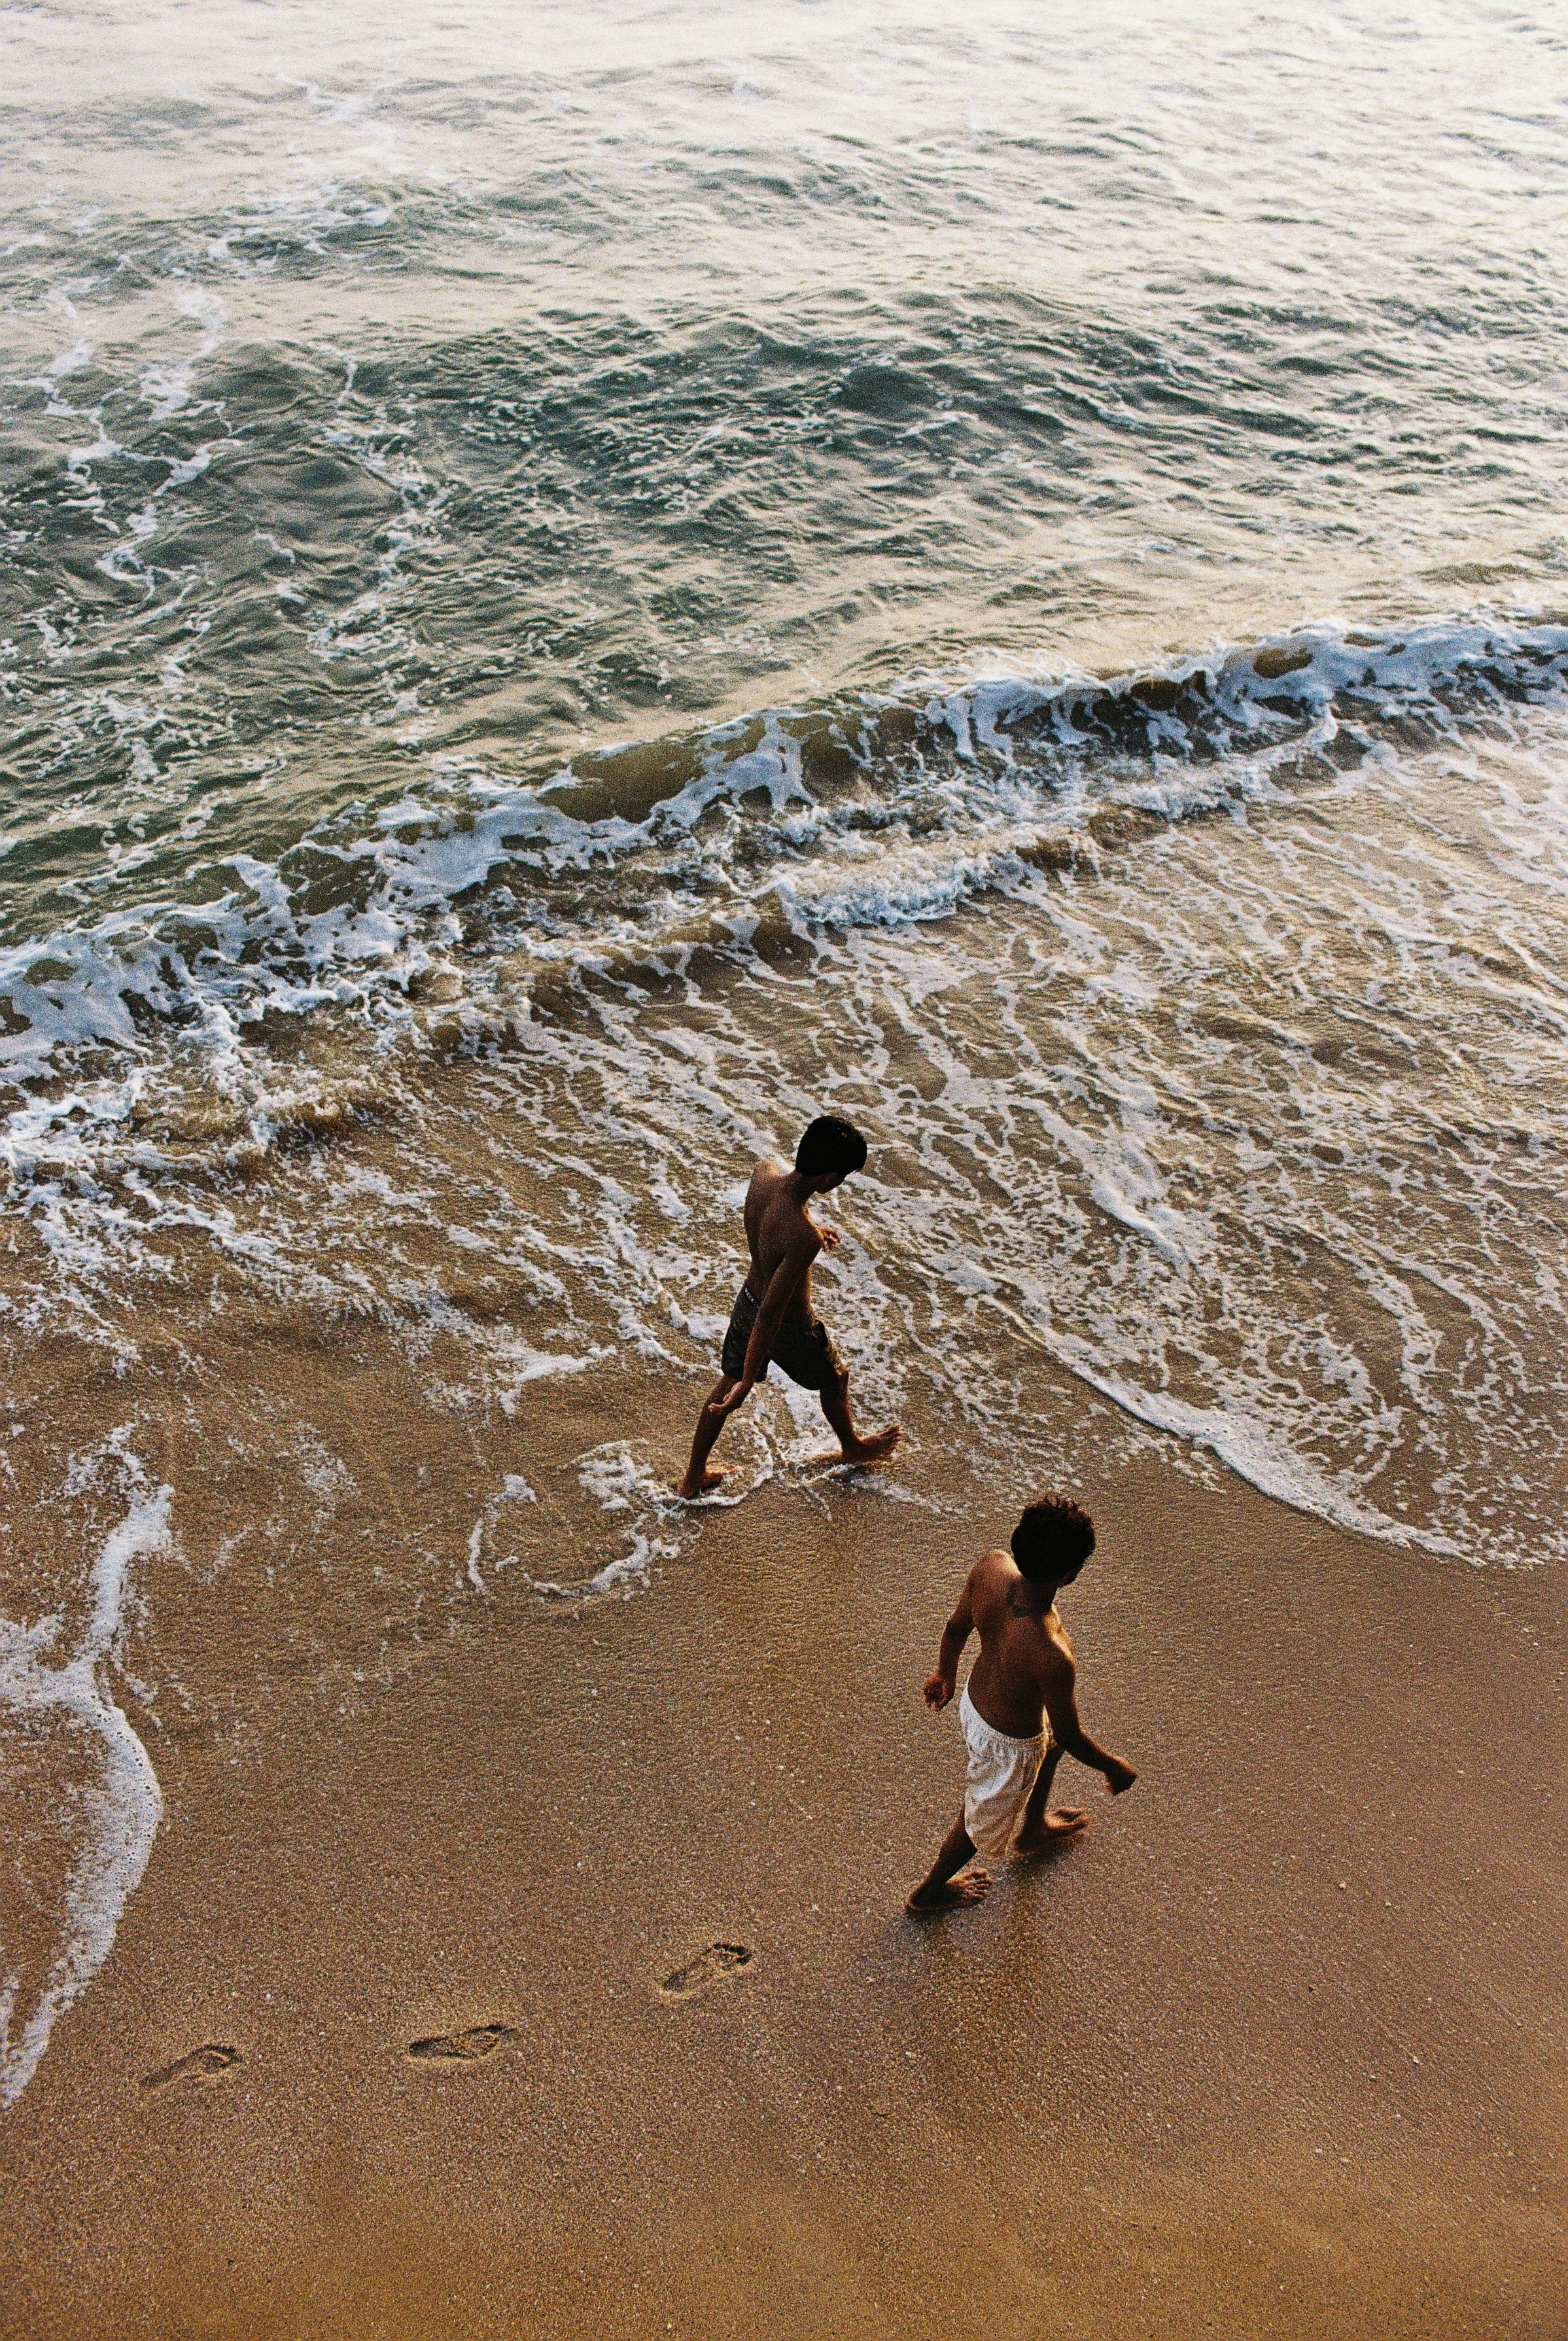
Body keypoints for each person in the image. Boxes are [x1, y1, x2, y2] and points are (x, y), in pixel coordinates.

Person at [907, 1494, 1136, 1914]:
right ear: (1069, 1575)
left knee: (1050, 1743)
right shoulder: (1051, 1655)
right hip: (1008, 1746)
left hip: (976, 1705)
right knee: (978, 1822)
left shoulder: (991, 1567)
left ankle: (1032, 1826)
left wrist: (945, 1673)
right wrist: (1113, 1765)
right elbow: (1072, 1733)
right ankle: (929, 1892)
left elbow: (955, 1627)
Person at [676, 1114, 901, 1500]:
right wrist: (751, 1380)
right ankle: (852, 1445)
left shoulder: (763, 1175)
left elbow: (772, 1233)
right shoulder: (802, 1236)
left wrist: (811, 1229)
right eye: (843, 1175)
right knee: (835, 1378)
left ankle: (692, 1476)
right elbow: (773, 1311)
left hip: (745, 1301)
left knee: (723, 1388)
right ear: (831, 1178)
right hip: (788, 1326)